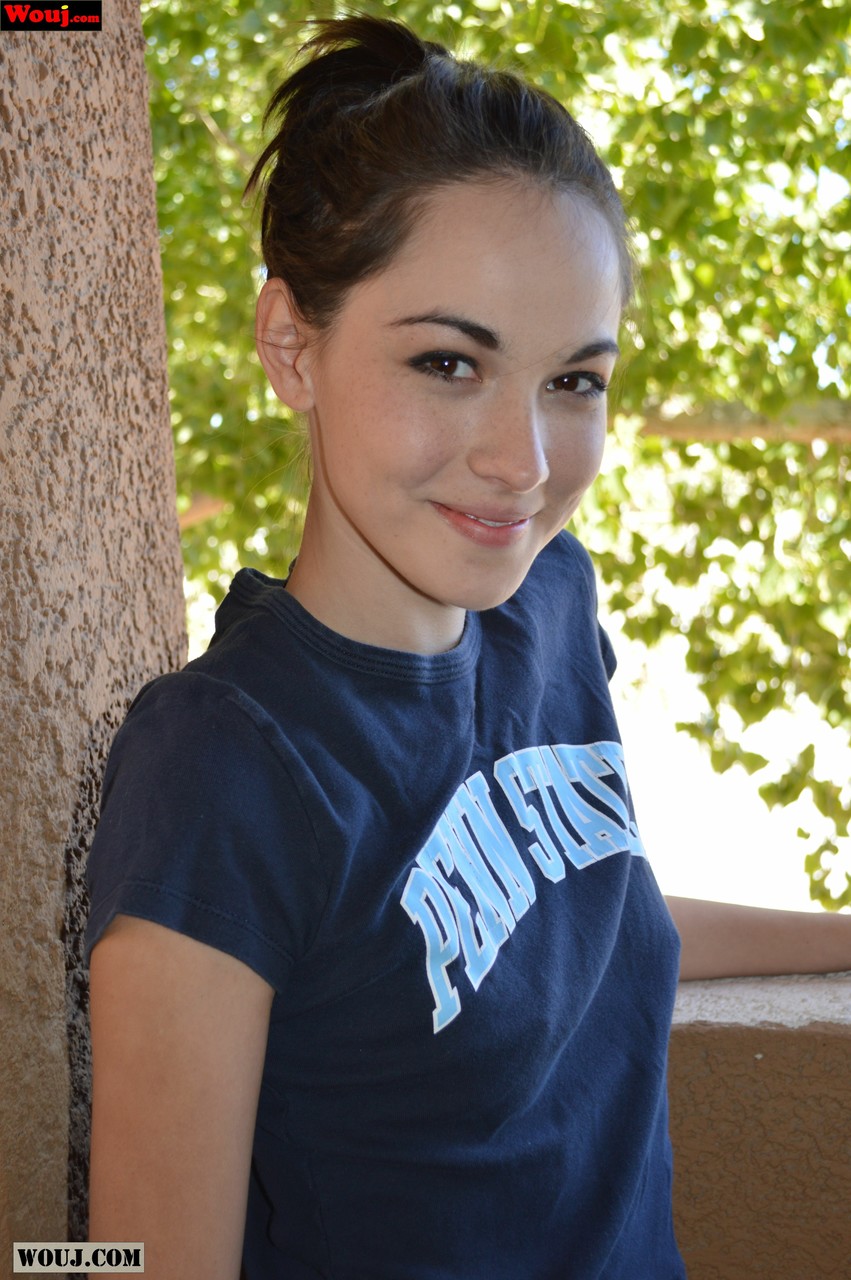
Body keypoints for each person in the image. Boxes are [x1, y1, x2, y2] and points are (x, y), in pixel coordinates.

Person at [86, 15, 851, 1280]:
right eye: (448, 361)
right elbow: (133, 1261)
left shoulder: (547, 606)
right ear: (290, 346)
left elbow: (583, 913)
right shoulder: (226, 767)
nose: (523, 461)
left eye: (574, 380)